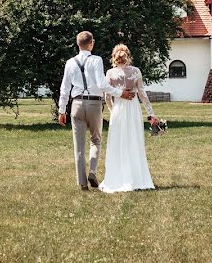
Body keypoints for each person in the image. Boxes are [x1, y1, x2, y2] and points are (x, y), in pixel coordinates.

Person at [58, 31, 135, 191]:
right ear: (91, 43)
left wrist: (61, 110)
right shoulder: (96, 60)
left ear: (78, 44)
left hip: (76, 104)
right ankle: (92, 171)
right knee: (95, 140)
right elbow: (102, 84)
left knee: (78, 146)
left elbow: (64, 89)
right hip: (93, 104)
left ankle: (82, 183)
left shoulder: (70, 63)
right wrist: (121, 93)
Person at [99, 44, 159, 193]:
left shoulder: (110, 73)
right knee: (134, 140)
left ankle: (118, 177)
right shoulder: (136, 71)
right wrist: (150, 112)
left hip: (119, 109)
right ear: (128, 55)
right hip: (133, 109)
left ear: (114, 57)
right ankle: (137, 177)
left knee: (118, 141)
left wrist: (113, 110)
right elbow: (142, 93)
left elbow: (107, 96)